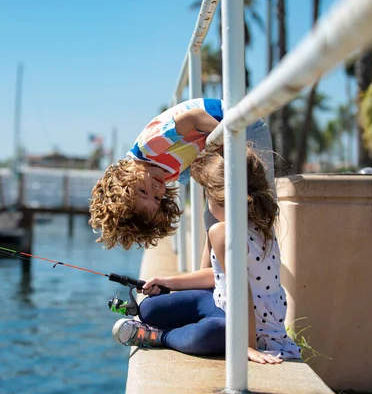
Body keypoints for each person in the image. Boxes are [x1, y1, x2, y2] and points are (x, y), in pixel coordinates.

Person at [110, 146, 301, 363]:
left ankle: (162, 336)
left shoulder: (221, 232)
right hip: (220, 301)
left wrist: (247, 346)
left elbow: (242, 290)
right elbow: (214, 276)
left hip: (248, 322)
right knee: (148, 309)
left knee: (215, 331)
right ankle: (171, 326)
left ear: (217, 197)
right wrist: (166, 282)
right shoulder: (261, 223)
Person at [88, 98, 273, 251]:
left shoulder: (150, 146)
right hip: (228, 139)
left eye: (143, 191)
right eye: (157, 198)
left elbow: (195, 117)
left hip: (242, 127)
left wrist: (229, 146)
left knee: (261, 203)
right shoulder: (161, 173)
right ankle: (209, 278)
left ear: (124, 178)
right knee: (212, 217)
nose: (156, 189)